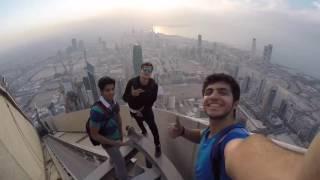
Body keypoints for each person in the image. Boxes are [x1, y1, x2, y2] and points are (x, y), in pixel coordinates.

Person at [169, 73, 249, 180]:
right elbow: (203, 136)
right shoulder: (211, 131)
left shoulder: (236, 140)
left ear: (235, 103)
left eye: (223, 92)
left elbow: (249, 156)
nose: (213, 96)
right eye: (209, 92)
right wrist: (182, 131)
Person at [88, 76, 129, 180]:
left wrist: (120, 135)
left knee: (115, 159)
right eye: (107, 90)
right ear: (101, 92)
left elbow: (118, 119)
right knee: (120, 164)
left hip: (116, 138)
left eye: (112, 89)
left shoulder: (114, 103)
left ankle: (112, 161)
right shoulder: (96, 111)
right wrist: (116, 143)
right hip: (108, 142)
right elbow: (94, 134)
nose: (111, 92)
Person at [123, 62, 161, 157]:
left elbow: (153, 100)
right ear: (140, 71)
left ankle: (158, 145)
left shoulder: (153, 86)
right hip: (133, 110)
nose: (146, 72)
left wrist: (142, 111)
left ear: (151, 73)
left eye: (149, 70)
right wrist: (132, 95)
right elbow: (124, 98)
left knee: (153, 128)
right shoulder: (132, 82)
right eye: (145, 69)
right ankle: (143, 131)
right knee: (139, 122)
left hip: (146, 110)